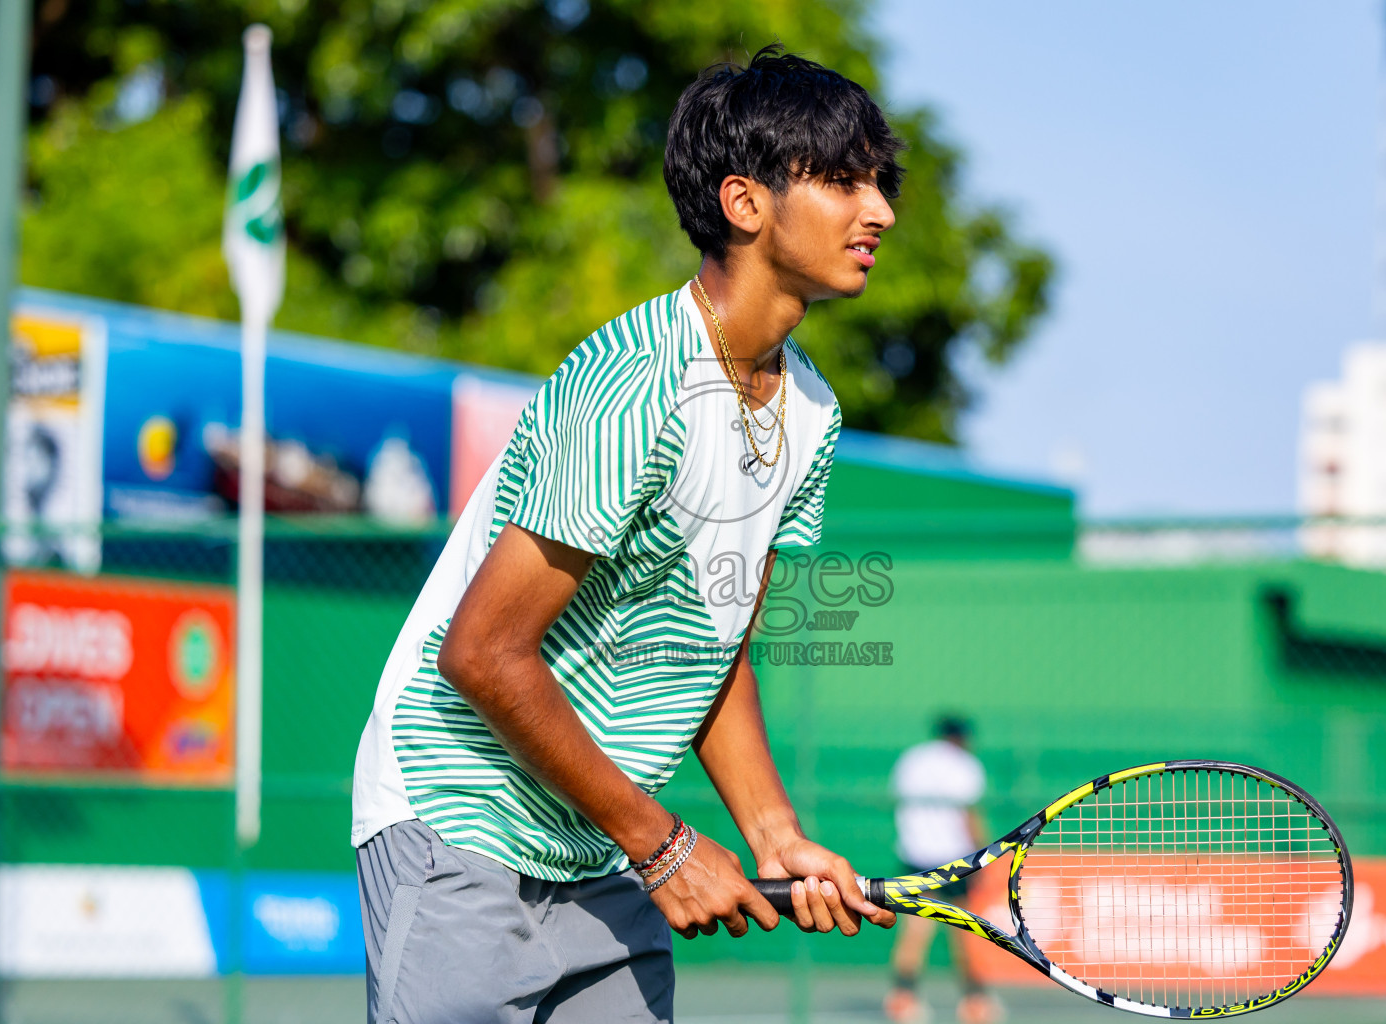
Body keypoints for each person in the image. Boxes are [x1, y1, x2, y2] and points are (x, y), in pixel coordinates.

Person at [350, 45, 902, 1024]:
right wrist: (663, 844)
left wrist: (770, 833)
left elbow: (717, 644)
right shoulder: (634, 383)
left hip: (599, 849)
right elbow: (481, 653)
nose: (880, 212)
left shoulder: (811, 409)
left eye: (880, 182)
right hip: (458, 820)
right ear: (745, 202)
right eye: (844, 179)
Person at [884, 716, 1003, 1024]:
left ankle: (902, 997)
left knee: (915, 929)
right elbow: (970, 815)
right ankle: (974, 1001)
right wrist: (983, 857)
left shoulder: (912, 760)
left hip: (914, 854)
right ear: (961, 738)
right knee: (966, 929)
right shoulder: (964, 765)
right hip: (954, 859)